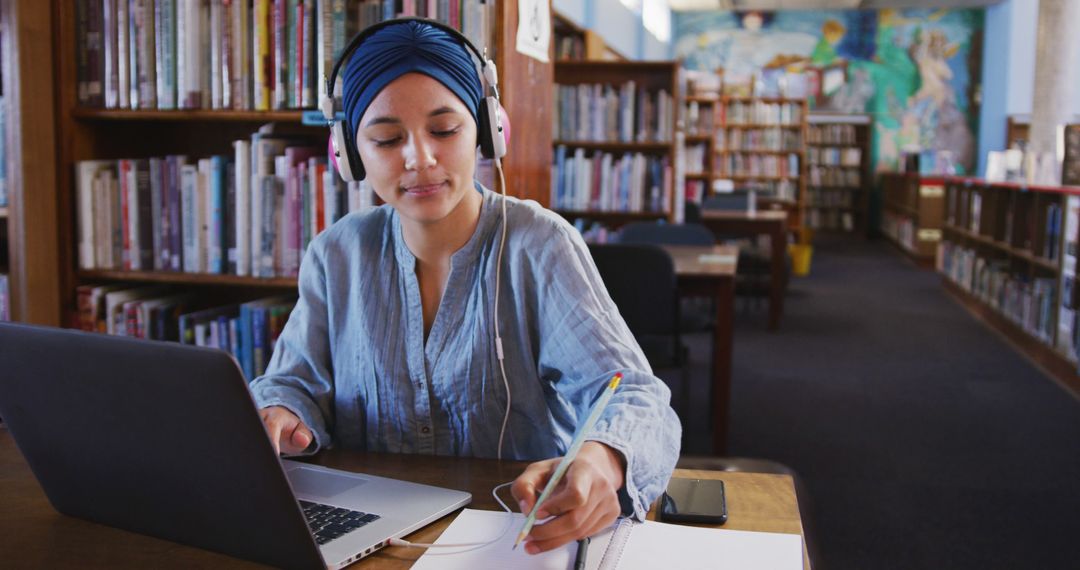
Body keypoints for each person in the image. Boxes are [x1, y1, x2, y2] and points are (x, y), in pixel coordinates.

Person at [251, 19, 681, 555]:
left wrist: (602, 459)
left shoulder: (539, 244)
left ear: (487, 129)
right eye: (386, 138)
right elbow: (292, 382)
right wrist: (281, 415)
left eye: (445, 130)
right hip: (377, 544)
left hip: (514, 535)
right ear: (349, 151)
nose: (419, 159)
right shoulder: (336, 254)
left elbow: (637, 397)